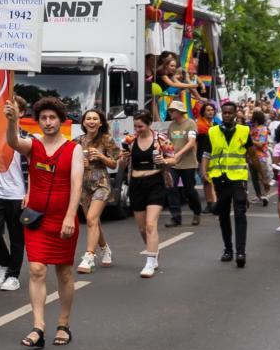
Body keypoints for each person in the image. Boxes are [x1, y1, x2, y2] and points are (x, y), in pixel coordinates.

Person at [9, 97, 82, 349]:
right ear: (38, 122)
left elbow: (76, 185)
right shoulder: (34, 146)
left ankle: (63, 324)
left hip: (63, 220)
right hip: (36, 219)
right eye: (43, 118)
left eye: (53, 118)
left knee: (64, 272)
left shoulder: (74, 149)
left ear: (61, 121)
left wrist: (71, 216)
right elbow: (12, 142)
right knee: (37, 270)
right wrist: (12, 121)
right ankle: (38, 327)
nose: (48, 122)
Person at [202, 98, 257, 268]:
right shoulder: (212, 132)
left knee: (240, 212)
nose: (226, 115)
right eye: (224, 113)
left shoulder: (243, 131)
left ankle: (241, 252)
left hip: (238, 177)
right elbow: (206, 154)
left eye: (230, 113)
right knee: (223, 214)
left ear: (235, 115)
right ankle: (228, 249)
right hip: (220, 177)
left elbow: (252, 154)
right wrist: (204, 171)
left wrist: (261, 176)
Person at [0, 99, 27, 292]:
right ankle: (4, 264)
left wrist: (30, 193)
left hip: (19, 195)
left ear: (21, 113)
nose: (8, 112)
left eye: (13, 109)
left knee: (17, 237)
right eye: (6, 109)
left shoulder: (28, 139)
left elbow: (34, 170)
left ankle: (13, 275)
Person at [76, 108, 118, 273]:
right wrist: (81, 162)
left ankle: (89, 256)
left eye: (95, 119)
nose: (91, 121)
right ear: (84, 122)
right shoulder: (77, 141)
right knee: (93, 221)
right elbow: (69, 163)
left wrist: (101, 157)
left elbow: (115, 163)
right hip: (83, 185)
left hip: (101, 183)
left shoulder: (106, 139)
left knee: (92, 218)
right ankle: (105, 248)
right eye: (88, 119)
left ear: (100, 123)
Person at [126, 110, 167, 278]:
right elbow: (122, 160)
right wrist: (122, 158)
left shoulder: (161, 139)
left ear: (149, 124)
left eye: (140, 126)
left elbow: (174, 158)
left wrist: (164, 160)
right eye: (135, 126)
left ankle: (150, 261)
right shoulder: (129, 140)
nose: (137, 130)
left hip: (155, 182)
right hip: (136, 184)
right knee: (142, 228)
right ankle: (153, 251)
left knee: (151, 224)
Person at [162, 102, 202, 227]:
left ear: (179, 111)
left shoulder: (190, 124)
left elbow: (191, 142)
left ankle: (196, 212)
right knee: (171, 188)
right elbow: (168, 142)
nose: (170, 113)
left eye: (172, 111)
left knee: (189, 191)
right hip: (173, 164)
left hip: (188, 164)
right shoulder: (172, 126)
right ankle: (176, 217)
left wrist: (178, 154)